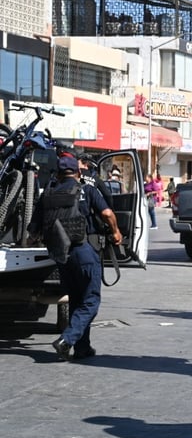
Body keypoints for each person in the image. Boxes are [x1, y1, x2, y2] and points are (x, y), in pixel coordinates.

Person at [28, 154, 122, 361]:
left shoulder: (48, 195)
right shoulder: (86, 189)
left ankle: (82, 347)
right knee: (91, 301)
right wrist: (116, 232)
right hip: (85, 250)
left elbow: (33, 231)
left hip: (62, 256)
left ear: (58, 175)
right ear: (78, 173)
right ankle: (67, 340)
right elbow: (107, 213)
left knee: (77, 301)